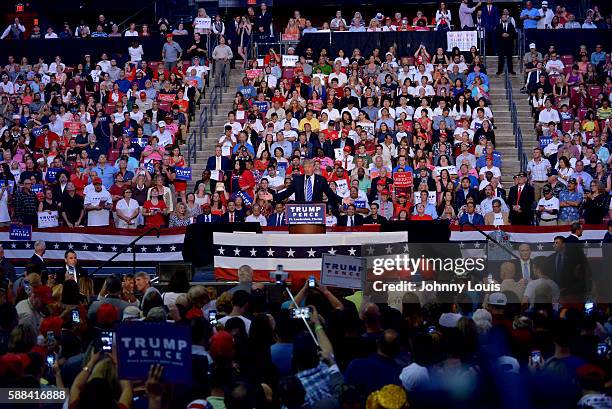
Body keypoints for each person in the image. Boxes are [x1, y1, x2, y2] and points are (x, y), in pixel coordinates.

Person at [274, 159, 344, 204]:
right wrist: (273, 197)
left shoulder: (321, 180)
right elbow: (287, 192)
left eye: (309, 167)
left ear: (314, 168)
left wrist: (342, 200)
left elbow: (330, 194)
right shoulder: (297, 180)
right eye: (305, 167)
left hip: (316, 211)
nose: (307, 169)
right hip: (301, 210)